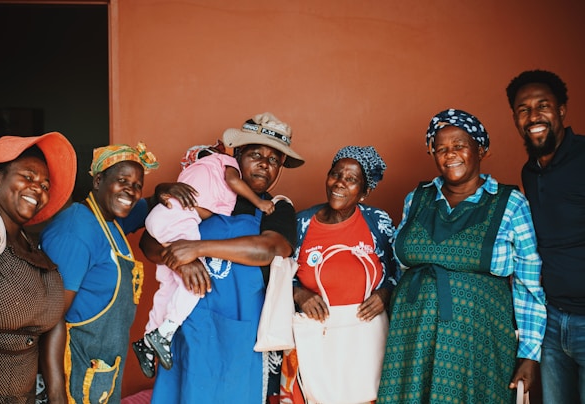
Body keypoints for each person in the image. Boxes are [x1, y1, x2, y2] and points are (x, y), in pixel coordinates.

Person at [377, 109, 547, 403]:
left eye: (459, 146)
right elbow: (400, 265)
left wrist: (530, 355)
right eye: (441, 149)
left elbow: (528, 283)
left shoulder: (510, 202)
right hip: (412, 334)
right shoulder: (416, 198)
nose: (449, 154)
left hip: (477, 339)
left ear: (481, 149)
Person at [139, 112, 304, 403]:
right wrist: (183, 260)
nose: (265, 164)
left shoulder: (276, 208)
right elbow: (149, 242)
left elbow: (269, 248)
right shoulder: (205, 192)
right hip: (191, 330)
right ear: (237, 155)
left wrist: (198, 249)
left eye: (274, 159)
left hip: (242, 340)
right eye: (256, 154)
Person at [39, 142, 192, 403]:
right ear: (98, 181)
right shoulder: (77, 231)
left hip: (100, 371)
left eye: (136, 185)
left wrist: (159, 194)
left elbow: (144, 207)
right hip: (73, 373)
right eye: (122, 181)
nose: (130, 192)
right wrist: (56, 394)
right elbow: (49, 319)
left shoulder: (112, 221)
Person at [131, 139, 275, 378]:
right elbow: (232, 180)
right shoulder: (224, 163)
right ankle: (164, 332)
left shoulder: (192, 176)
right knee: (196, 284)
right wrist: (259, 201)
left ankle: (147, 339)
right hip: (179, 221)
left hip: (163, 219)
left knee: (168, 286)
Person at [279, 145, 397, 403]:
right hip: (315, 338)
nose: (340, 183)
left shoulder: (377, 221)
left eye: (352, 179)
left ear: (364, 192)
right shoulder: (302, 223)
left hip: (365, 338)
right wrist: (298, 294)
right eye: (336, 174)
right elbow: (279, 275)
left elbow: (398, 269)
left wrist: (386, 293)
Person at [506, 70, 585, 403]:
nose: (533, 115)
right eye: (523, 109)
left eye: (543, 105)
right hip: (551, 321)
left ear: (562, 110)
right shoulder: (531, 169)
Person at [0, 132, 76, 403]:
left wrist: (58, 392)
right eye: (28, 177)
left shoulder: (27, 244)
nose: (39, 189)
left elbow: (54, 317)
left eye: (45, 185)